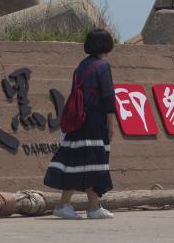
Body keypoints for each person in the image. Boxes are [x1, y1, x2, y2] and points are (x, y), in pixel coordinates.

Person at [44, 28, 116, 219]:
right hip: (94, 121)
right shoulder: (102, 66)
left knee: (85, 162)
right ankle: (63, 204)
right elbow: (108, 97)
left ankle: (93, 207)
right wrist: (111, 124)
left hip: (78, 120)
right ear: (106, 45)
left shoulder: (81, 67)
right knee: (89, 161)